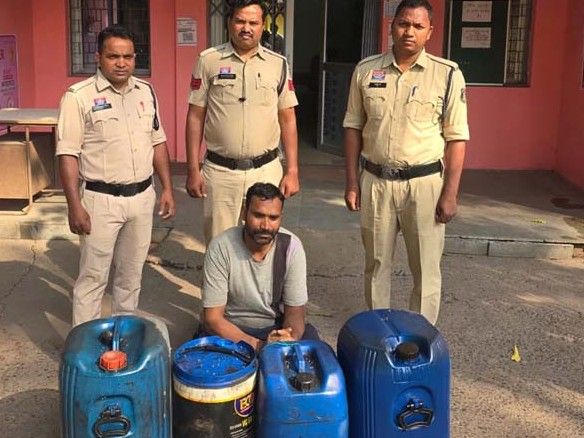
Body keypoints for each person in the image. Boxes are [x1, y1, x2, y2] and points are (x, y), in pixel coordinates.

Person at [343, 0, 469, 325]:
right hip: (376, 182)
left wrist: (450, 193)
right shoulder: (366, 70)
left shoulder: (447, 74)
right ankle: (378, 332)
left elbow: (456, 138)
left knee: (426, 269)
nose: (409, 31)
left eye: (417, 26)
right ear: (391, 26)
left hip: (424, 185)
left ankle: (420, 335)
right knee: (376, 265)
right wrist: (352, 182)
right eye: (403, 23)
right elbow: (353, 126)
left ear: (430, 32)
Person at [57, 25, 175, 326]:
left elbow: (158, 141)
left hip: (142, 198)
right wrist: (74, 206)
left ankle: (123, 336)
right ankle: (85, 342)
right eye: (113, 56)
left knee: (131, 276)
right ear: (98, 57)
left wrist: (167, 188)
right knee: (93, 277)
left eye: (128, 56)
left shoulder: (146, 91)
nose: (121, 63)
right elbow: (68, 154)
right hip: (100, 201)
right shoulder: (78, 97)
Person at [185, 0, 299, 245]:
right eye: (240, 21)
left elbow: (288, 118)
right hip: (221, 173)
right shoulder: (208, 60)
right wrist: (193, 169)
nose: (246, 28)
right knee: (219, 244)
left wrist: (292, 170)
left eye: (253, 22)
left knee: (262, 242)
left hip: (266, 170)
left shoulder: (278, 64)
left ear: (262, 25)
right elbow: (195, 116)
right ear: (229, 23)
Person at [199, 183, 319, 351]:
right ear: (244, 213)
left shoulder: (292, 247)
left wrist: (288, 338)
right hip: (230, 331)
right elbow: (212, 319)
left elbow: (295, 312)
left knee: (316, 356)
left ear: (281, 217)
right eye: (258, 215)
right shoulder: (221, 247)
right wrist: (258, 346)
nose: (265, 226)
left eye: (273, 218)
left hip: (275, 328)